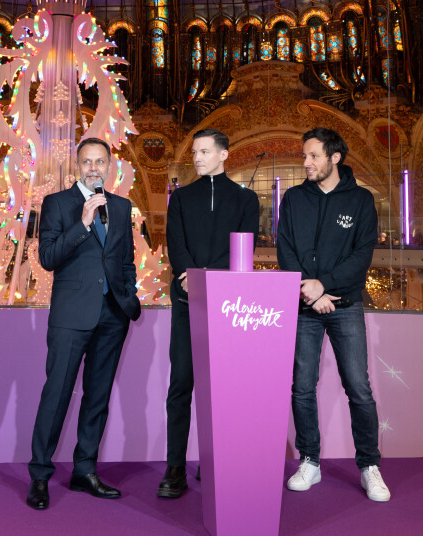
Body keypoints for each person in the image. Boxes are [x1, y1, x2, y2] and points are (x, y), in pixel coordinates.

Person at [277, 127, 390, 502]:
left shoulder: (360, 201)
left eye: (313, 156)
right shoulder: (293, 199)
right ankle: (310, 460)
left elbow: (361, 258)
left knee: (358, 388)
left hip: (346, 306)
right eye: (305, 155)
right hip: (304, 308)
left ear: (334, 158)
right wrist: (310, 294)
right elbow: (286, 249)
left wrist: (322, 285)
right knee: (302, 387)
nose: (305, 162)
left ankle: (369, 466)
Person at [27, 137, 141, 510]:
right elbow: (47, 257)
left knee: (98, 397)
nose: (94, 168)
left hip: (113, 316)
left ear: (109, 166)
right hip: (71, 317)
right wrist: (83, 223)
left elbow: (125, 259)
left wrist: (129, 298)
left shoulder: (122, 207)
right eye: (87, 162)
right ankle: (40, 475)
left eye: (100, 162)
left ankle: (84, 470)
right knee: (57, 394)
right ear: (78, 166)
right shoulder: (58, 203)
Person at [159, 128, 259, 498]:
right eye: (195, 152)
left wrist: (211, 280)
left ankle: (217, 460)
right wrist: (190, 277)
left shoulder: (246, 200)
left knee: (224, 388)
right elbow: (176, 244)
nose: (197, 158)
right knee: (181, 383)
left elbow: (244, 248)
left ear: (224, 154)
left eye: (204, 151)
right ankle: (174, 467)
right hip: (186, 301)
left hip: (229, 306)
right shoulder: (181, 199)